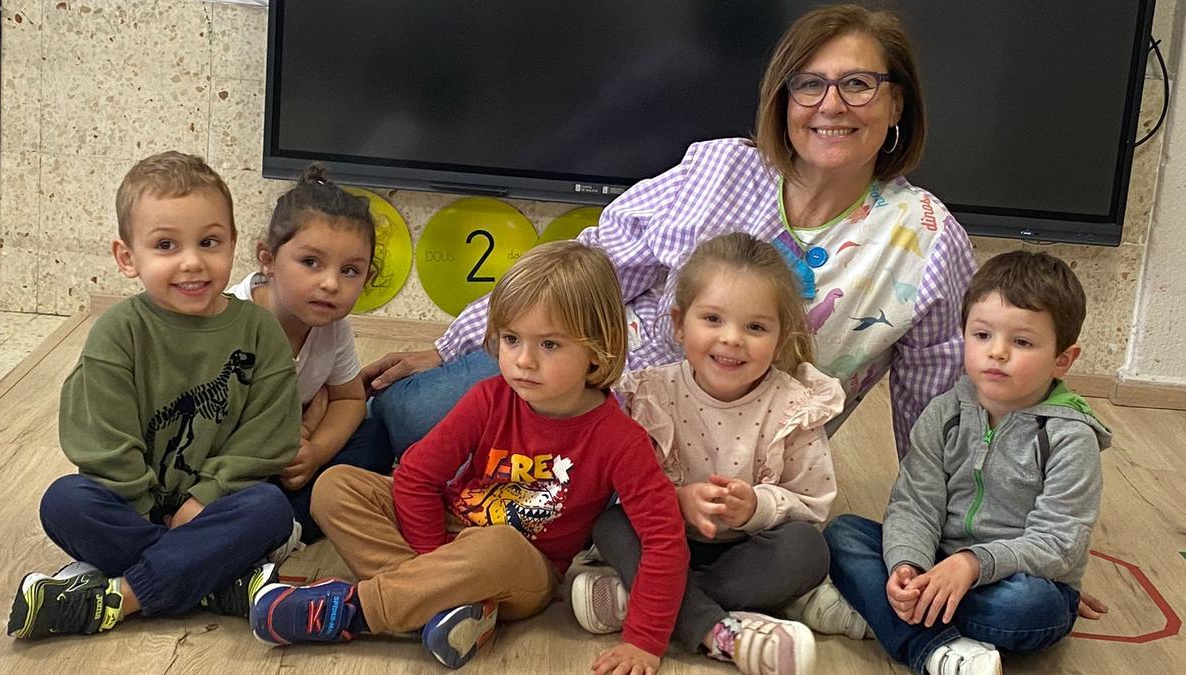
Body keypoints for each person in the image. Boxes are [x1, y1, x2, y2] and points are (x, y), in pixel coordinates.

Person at [363, 3, 974, 464]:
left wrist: (967, 546)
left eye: (858, 84)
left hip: (726, 459)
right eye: (809, 83)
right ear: (783, 99)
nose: (830, 105)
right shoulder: (720, 167)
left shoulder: (928, 241)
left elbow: (939, 415)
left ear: (898, 105)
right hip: (584, 379)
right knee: (406, 412)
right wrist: (457, 346)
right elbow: (591, 266)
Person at [248, 241, 689, 674]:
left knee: (495, 544)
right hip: (449, 531)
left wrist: (644, 642)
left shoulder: (622, 439)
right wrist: (433, 560)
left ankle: (354, 611)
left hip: (520, 568)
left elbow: (664, 539)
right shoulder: (488, 398)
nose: (523, 361)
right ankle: (443, 606)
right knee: (336, 485)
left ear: (598, 349)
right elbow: (417, 476)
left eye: (549, 345)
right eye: (512, 339)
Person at [7, 151, 300, 640]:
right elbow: (101, 435)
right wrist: (145, 506)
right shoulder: (117, 331)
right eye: (166, 245)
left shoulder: (260, 332)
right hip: (127, 506)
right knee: (64, 501)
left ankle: (119, 598)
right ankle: (214, 582)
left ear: (232, 244)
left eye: (209, 242)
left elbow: (267, 435)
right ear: (128, 257)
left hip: (216, 505)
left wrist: (205, 499)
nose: (192, 262)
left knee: (270, 509)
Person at [799, 251, 1109, 674]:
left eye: (1021, 342)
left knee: (1029, 609)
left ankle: (889, 620)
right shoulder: (945, 412)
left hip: (1015, 581)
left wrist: (970, 564)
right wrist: (909, 565)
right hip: (937, 562)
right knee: (843, 535)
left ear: (1062, 360)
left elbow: (1057, 544)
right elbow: (915, 504)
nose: (996, 352)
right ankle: (931, 635)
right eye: (982, 335)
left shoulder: (1071, 438)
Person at [573, 234, 845, 675]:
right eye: (713, 319)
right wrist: (675, 500)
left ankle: (647, 601)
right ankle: (713, 628)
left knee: (809, 551)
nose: (732, 339)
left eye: (755, 327)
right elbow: (620, 487)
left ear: (780, 338)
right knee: (611, 523)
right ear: (680, 324)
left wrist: (756, 506)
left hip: (746, 554)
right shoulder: (651, 394)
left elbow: (812, 504)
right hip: (663, 543)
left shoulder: (795, 407)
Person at [227, 164, 390, 545]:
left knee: (375, 437)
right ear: (267, 258)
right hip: (228, 458)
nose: (330, 283)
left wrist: (315, 451)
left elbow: (349, 397)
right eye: (311, 263)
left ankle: (290, 529)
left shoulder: (333, 328)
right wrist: (288, 439)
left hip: (287, 453)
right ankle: (264, 525)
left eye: (350, 271)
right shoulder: (231, 321)